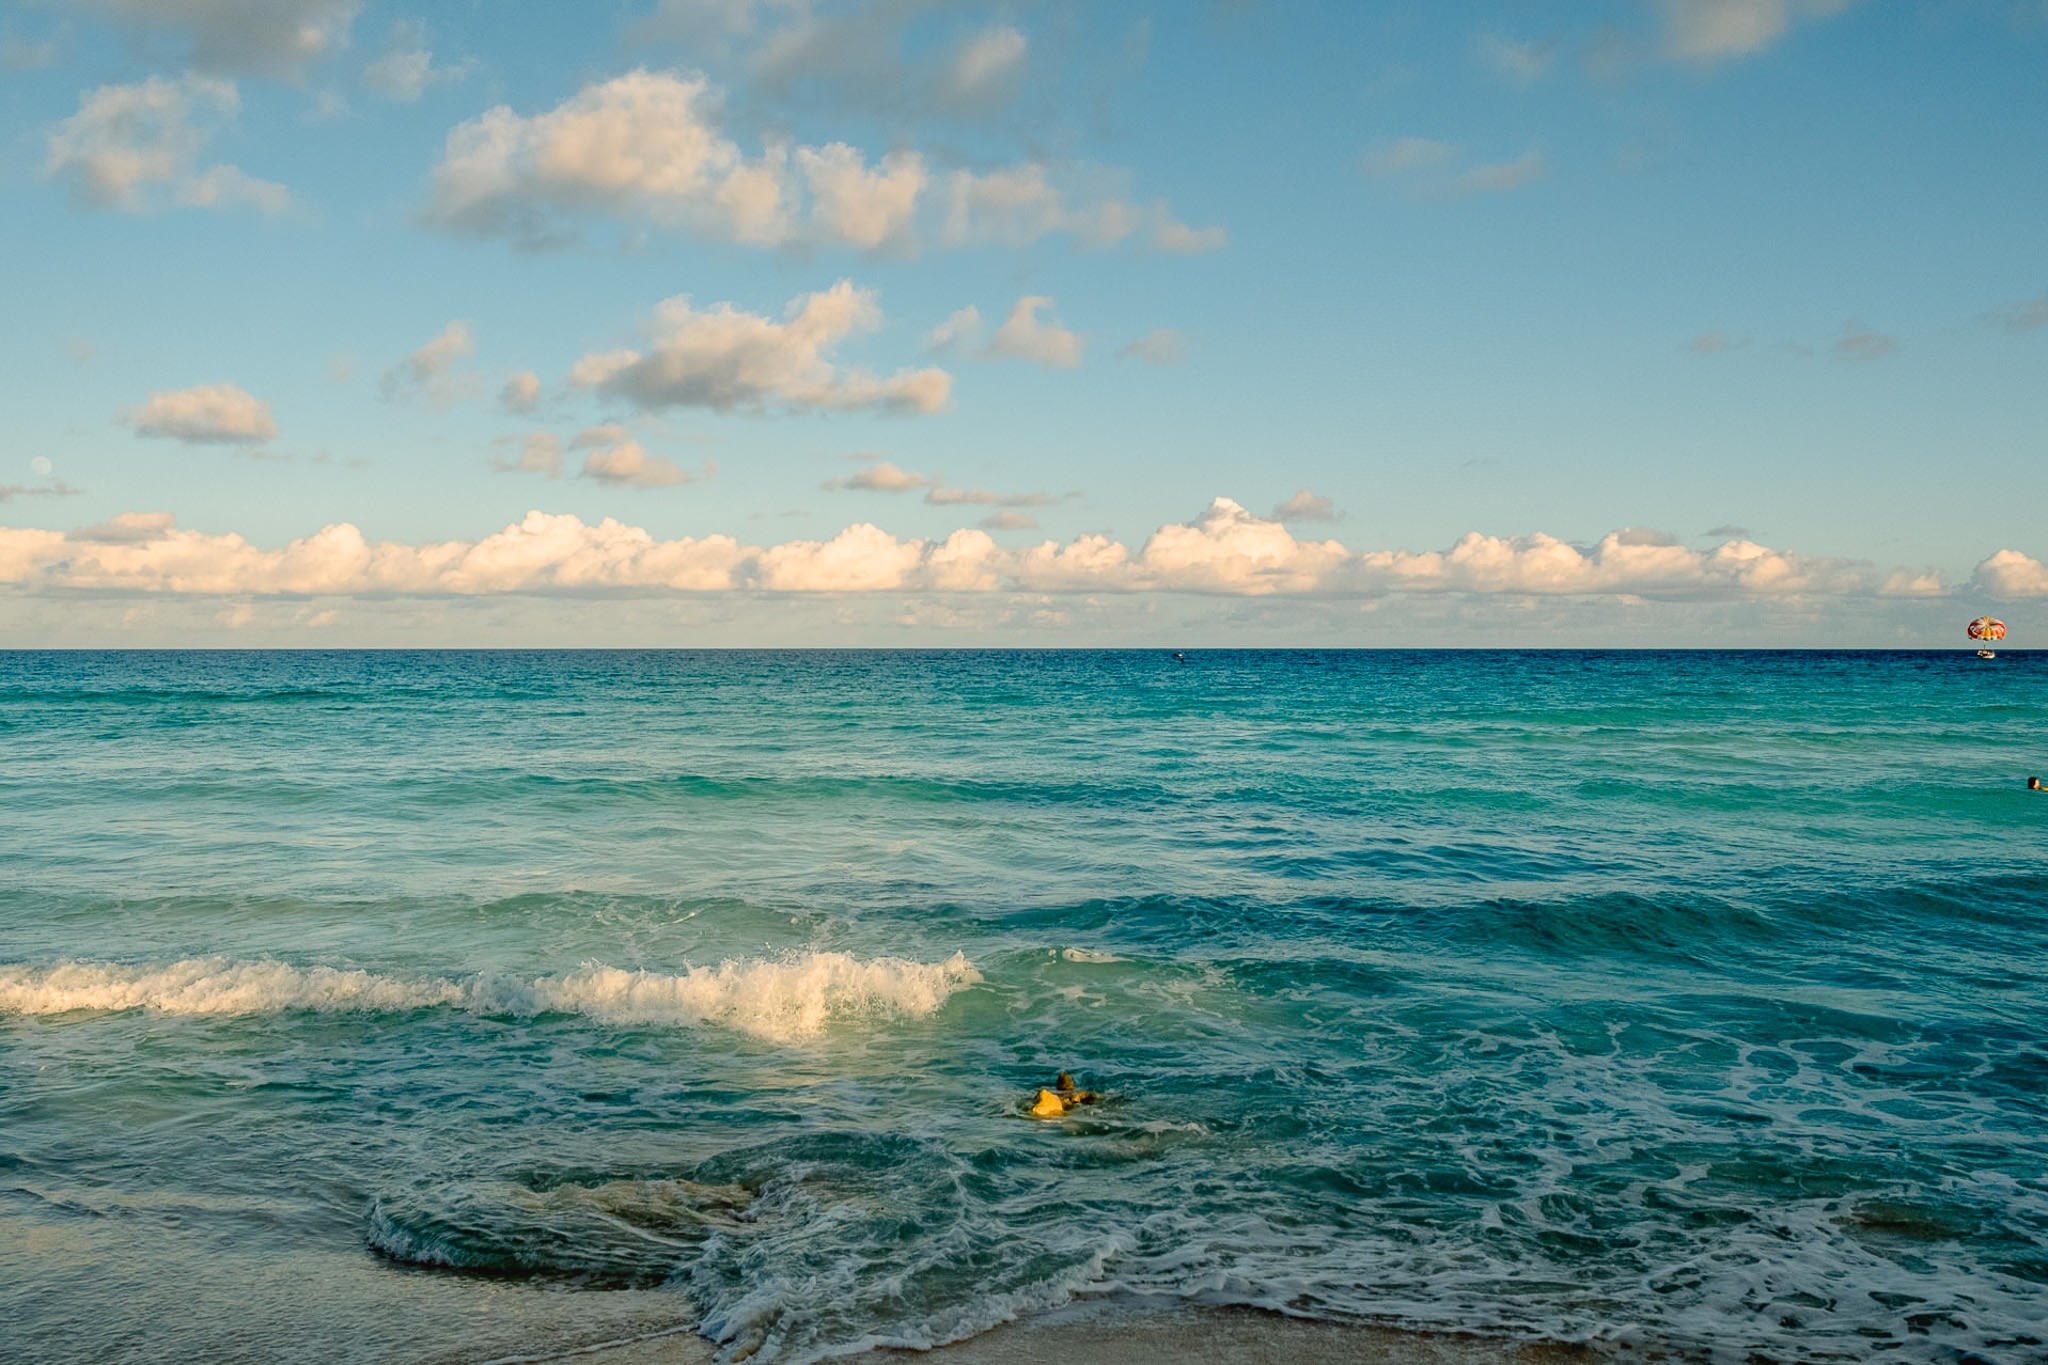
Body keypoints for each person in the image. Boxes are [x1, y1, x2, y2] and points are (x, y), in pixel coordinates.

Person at [1028, 1072, 1101, 1117]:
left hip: (1048, 1105)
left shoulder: (1051, 1092)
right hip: (1059, 1108)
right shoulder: (1077, 1094)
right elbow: (1094, 1096)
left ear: (1057, 1086)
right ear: (1072, 1086)